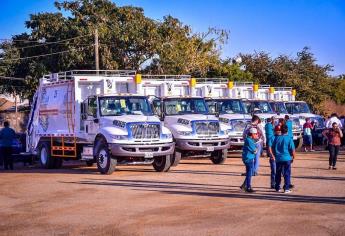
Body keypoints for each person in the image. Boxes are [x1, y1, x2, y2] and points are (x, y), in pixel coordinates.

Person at [271, 124, 296, 193]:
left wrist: (274, 155)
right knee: (287, 173)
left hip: (278, 158)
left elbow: (273, 148)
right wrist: (293, 157)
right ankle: (286, 188)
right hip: (287, 158)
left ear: (281, 130)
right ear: (287, 130)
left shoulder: (276, 138)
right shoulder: (289, 138)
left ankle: (277, 187)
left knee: (278, 173)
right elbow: (292, 149)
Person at [240, 127, 258, 193]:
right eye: (255, 134)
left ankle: (244, 185)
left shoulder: (249, 140)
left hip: (248, 158)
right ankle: (248, 187)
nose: (256, 135)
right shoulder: (249, 140)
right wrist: (256, 149)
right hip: (248, 158)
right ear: (252, 134)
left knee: (249, 173)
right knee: (249, 173)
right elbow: (255, 151)